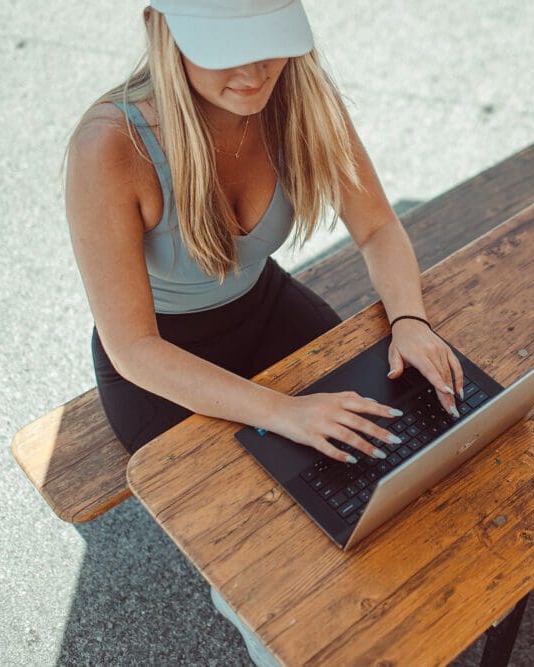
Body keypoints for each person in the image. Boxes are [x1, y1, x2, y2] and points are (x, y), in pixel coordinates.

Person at [64, 1, 465, 664]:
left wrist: (410, 319)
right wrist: (284, 413)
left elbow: (378, 227)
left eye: (270, 43)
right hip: (164, 362)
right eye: (225, 47)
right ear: (160, 29)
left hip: (267, 309)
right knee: (261, 559)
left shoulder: (300, 93)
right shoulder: (109, 144)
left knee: (391, 461)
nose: (254, 72)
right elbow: (132, 347)